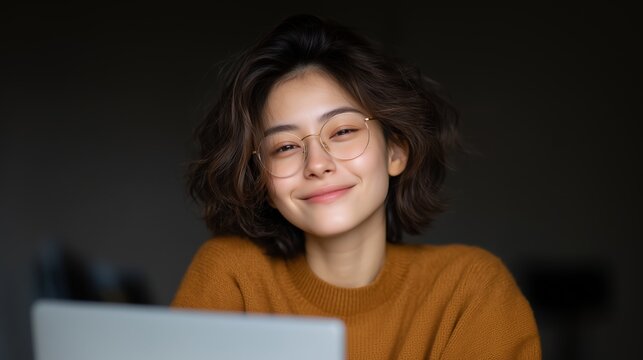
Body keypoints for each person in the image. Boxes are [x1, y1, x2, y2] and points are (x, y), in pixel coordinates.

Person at [172, 14, 541, 359]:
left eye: (343, 131)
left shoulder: (470, 289)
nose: (317, 164)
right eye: (284, 147)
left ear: (396, 151)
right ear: (262, 178)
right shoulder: (232, 275)